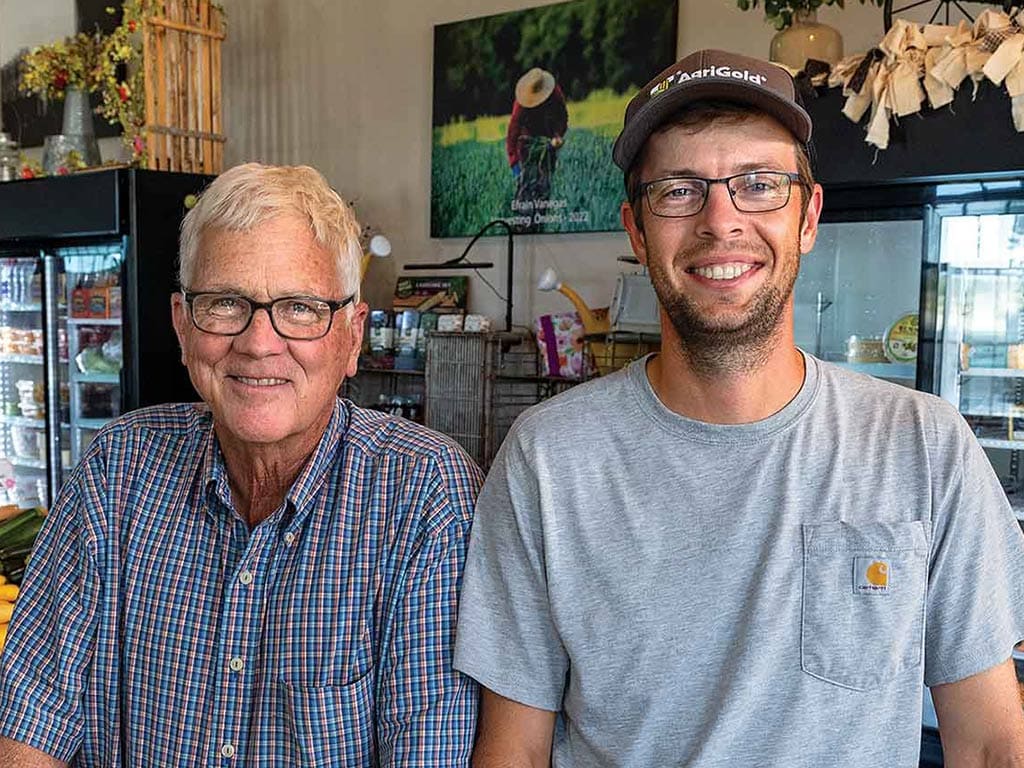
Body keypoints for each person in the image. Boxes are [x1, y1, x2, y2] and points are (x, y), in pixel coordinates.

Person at [455, 49, 1024, 766]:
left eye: (759, 184)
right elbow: (516, 752)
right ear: (636, 230)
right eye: (679, 190)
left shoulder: (925, 446)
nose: (721, 221)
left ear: (808, 216)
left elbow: (989, 747)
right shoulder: (548, 458)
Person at [0, 163, 482, 766]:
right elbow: (30, 718)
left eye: (301, 308)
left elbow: (428, 751)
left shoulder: (423, 495)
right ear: (182, 325)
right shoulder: (117, 469)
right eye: (226, 303)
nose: (258, 342)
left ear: (353, 338)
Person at [506, 67, 568, 213]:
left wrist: (557, 135)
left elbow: (563, 116)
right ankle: (522, 219)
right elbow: (513, 133)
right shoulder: (521, 104)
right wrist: (514, 161)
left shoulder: (555, 93)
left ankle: (541, 215)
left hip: (547, 141)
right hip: (527, 142)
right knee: (526, 183)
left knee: (545, 181)